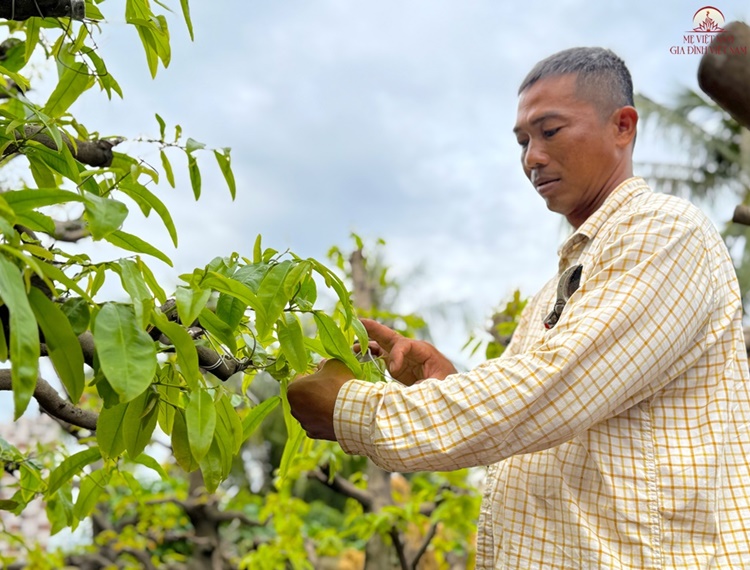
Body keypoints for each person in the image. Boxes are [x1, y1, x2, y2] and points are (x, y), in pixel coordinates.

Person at [288, 47, 750, 568]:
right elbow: (535, 420)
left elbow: (555, 388)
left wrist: (355, 410)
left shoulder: (665, 233)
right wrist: (442, 385)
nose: (531, 157)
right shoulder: (553, 290)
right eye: (523, 141)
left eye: (549, 131)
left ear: (623, 127)